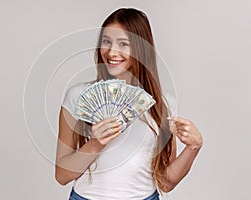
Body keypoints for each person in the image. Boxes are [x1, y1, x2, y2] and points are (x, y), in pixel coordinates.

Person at [55, 8, 203, 200]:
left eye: (123, 43)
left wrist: (194, 147)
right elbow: (62, 175)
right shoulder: (77, 96)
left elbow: (166, 182)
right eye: (106, 41)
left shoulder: (163, 104)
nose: (111, 51)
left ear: (141, 49)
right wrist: (95, 144)